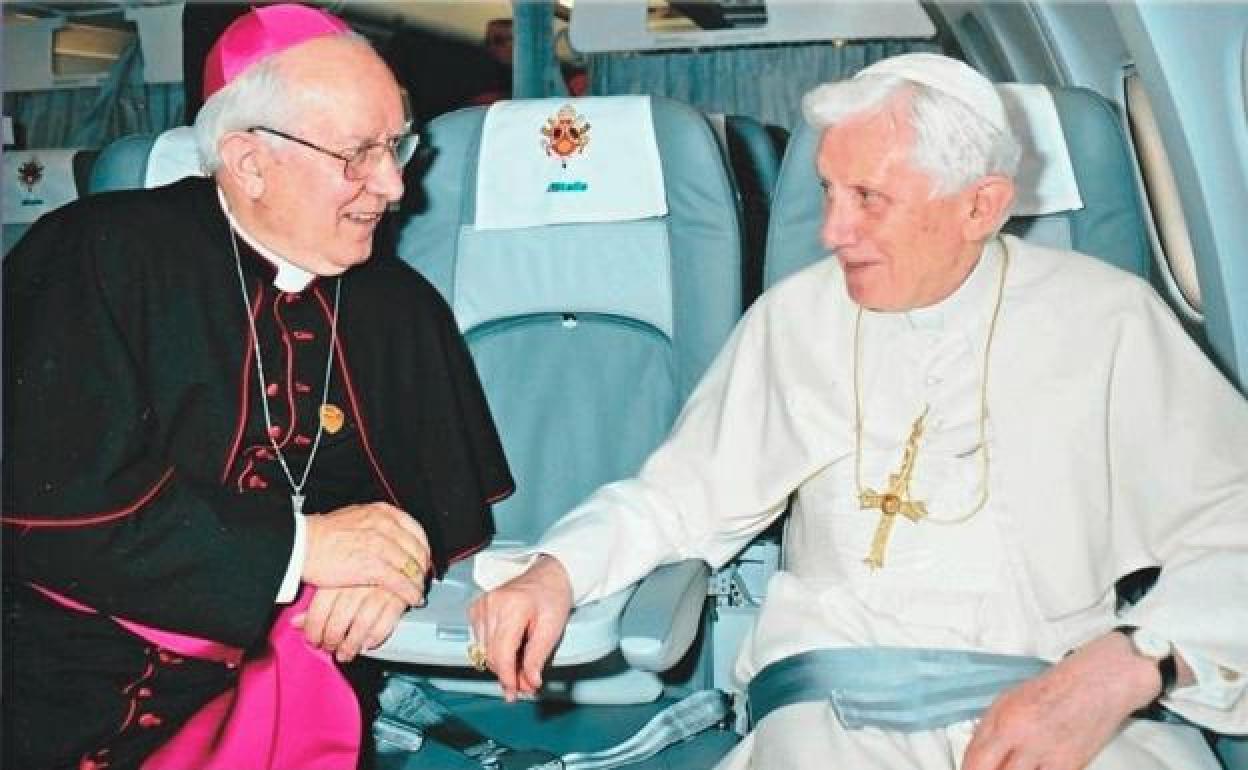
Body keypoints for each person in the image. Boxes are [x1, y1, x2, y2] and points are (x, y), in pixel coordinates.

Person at [469, 53, 1247, 769]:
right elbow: (680, 496)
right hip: (833, 706)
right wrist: (559, 568)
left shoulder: (1108, 321)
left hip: (1051, 692)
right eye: (828, 191)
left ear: (982, 207)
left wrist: (1131, 660)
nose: (832, 231)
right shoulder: (796, 318)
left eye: (869, 198)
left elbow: (1235, 522)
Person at [2, 5, 512, 769]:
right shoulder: (92, 256)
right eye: (359, 153)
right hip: (61, 682)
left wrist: (391, 568)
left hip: (297, 671)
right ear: (248, 161)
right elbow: (51, 510)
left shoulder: (399, 303)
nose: (395, 184)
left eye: (399, 143)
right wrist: (307, 549)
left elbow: (426, 496)